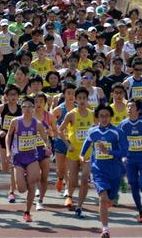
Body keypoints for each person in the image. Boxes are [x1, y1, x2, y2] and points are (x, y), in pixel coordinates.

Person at [80, 105, 128, 238]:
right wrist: (82, 156)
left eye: (106, 115)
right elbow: (86, 146)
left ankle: (114, 195)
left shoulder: (117, 132)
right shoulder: (93, 132)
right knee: (103, 198)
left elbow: (125, 152)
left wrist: (109, 152)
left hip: (115, 171)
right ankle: (105, 229)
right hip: (98, 170)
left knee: (110, 199)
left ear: (110, 117)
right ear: (97, 117)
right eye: (101, 116)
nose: (104, 118)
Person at [5, 95, 51, 222]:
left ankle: (27, 212)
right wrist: (8, 151)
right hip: (18, 158)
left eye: (29, 106)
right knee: (21, 189)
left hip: (32, 157)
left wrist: (47, 147)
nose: (27, 109)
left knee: (32, 184)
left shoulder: (38, 124)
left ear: (33, 108)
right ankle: (24, 177)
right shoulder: (15, 122)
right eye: (24, 106)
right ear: (21, 108)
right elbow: (8, 136)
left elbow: (45, 138)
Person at [58, 87, 94, 217]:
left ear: (87, 99)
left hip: (88, 153)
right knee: (73, 180)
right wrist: (68, 144)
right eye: (79, 98)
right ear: (76, 99)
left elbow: (97, 129)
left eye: (84, 98)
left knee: (84, 179)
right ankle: (69, 196)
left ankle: (79, 205)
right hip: (73, 152)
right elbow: (60, 130)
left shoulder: (92, 114)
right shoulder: (71, 114)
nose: (82, 100)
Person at [0, 84, 22, 203]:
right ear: (6, 96)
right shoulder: (2, 107)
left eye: (15, 95)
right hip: (4, 138)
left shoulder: (21, 108)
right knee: (5, 167)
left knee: (13, 166)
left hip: (17, 139)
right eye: (10, 95)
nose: (13, 97)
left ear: (18, 96)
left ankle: (11, 191)